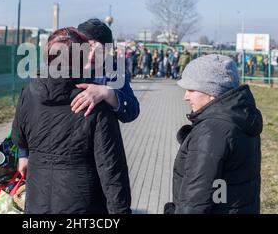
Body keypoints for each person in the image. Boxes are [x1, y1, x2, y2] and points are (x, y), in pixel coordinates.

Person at [11, 27, 131, 214]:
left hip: (37, 202)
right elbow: (112, 168)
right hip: (82, 203)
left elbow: (19, 137)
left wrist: (25, 155)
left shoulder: (28, 94)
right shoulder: (94, 103)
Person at [17, 19, 140, 177]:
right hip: (48, 151)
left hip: (88, 158)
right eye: (88, 48)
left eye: (100, 50)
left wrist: (107, 93)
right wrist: (23, 153)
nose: (93, 55)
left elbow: (132, 110)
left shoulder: (113, 72)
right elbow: (30, 110)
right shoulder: (58, 66)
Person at [164, 54, 262, 214]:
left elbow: (196, 201)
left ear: (211, 92)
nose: (185, 97)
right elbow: (220, 188)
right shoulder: (238, 117)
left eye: (191, 89)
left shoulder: (213, 132)